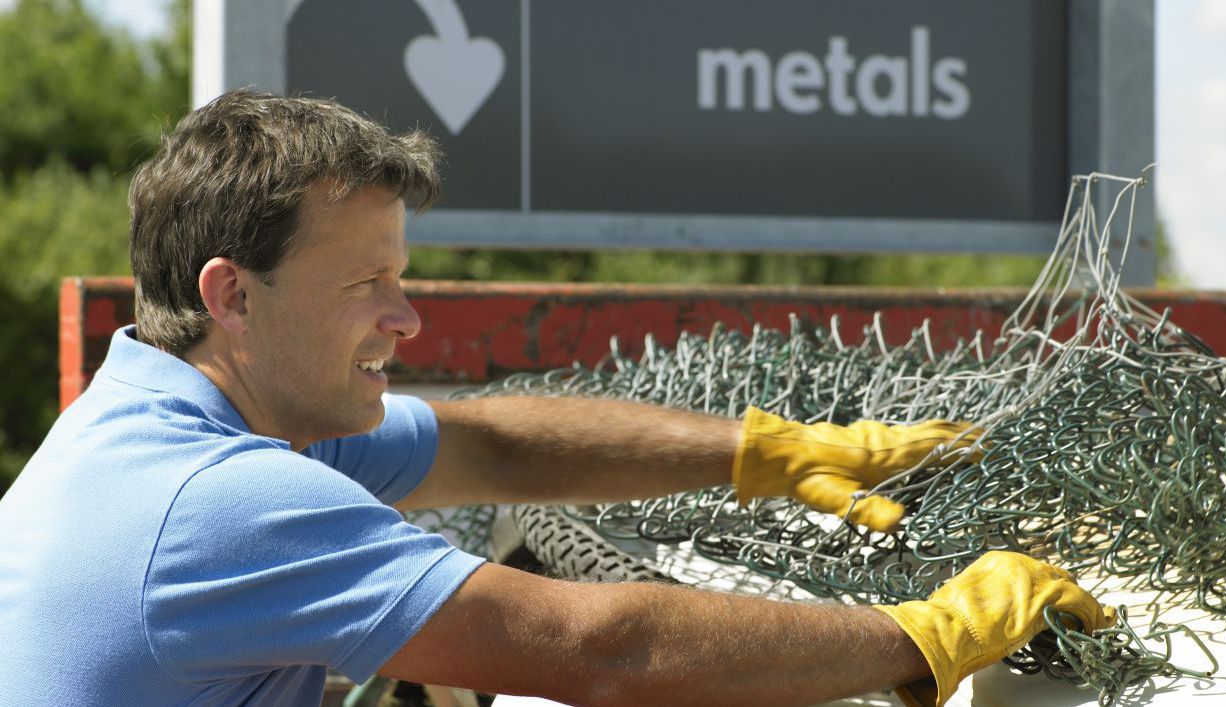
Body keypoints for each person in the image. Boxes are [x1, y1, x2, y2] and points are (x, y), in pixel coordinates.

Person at [0, 90, 1111, 706]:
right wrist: (919, 633)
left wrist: (767, 449)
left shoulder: (153, 417)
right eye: (366, 284)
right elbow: (598, 650)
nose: (407, 318)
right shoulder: (217, 499)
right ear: (233, 295)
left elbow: (492, 445)